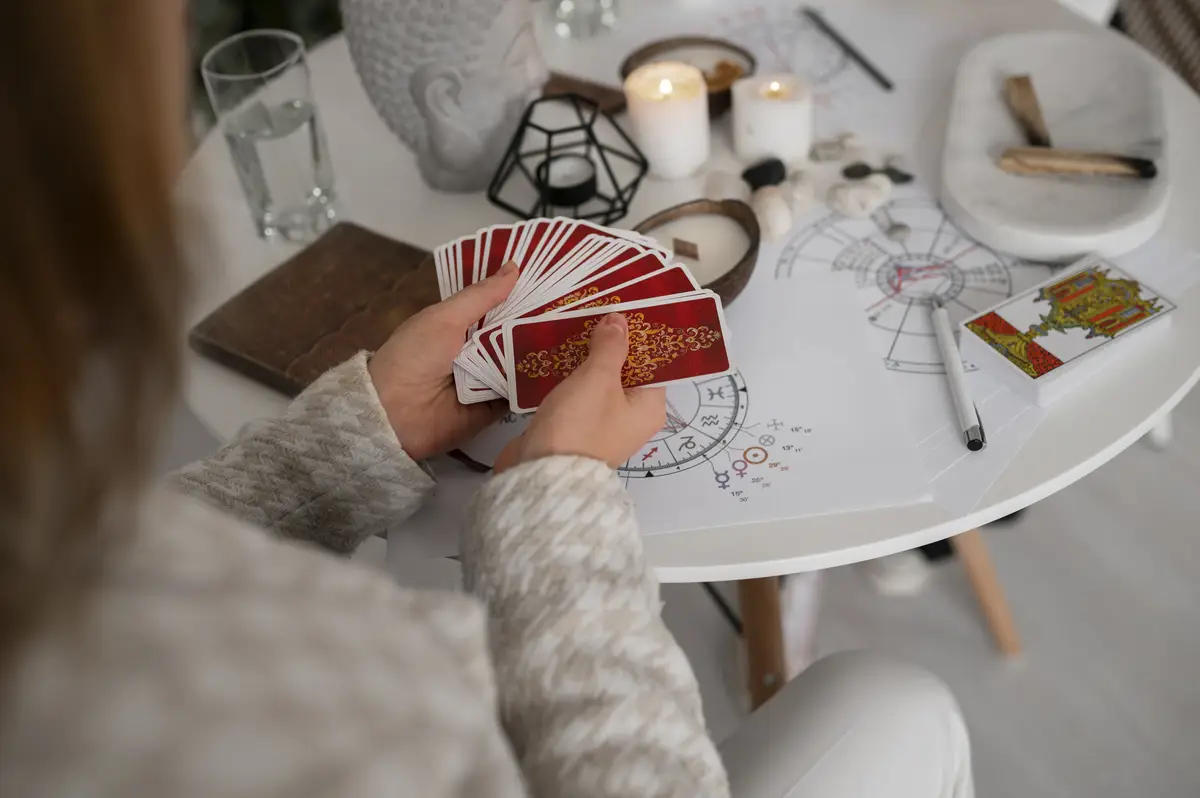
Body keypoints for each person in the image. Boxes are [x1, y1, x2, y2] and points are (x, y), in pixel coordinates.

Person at [0, 2, 975, 796]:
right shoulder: (355, 693)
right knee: (899, 699)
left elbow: (141, 572)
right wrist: (555, 497)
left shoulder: (57, 564)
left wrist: (354, 440)